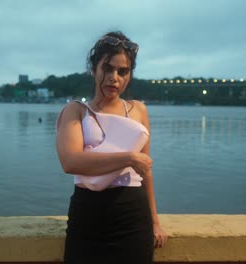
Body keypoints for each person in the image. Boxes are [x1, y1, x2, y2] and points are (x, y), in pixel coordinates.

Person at [56, 31, 168, 264]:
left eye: (122, 71)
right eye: (107, 69)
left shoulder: (138, 110)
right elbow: (70, 162)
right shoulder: (76, 111)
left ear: (129, 75)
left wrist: (155, 222)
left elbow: (145, 170)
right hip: (87, 217)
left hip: (133, 218)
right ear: (93, 69)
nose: (113, 78)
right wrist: (128, 158)